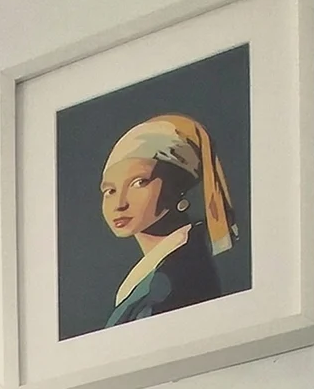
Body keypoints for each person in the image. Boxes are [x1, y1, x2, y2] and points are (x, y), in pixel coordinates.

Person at [99, 115, 237, 325]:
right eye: (110, 190)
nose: (119, 203)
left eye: (139, 183)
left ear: (176, 187)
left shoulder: (172, 281)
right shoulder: (173, 263)